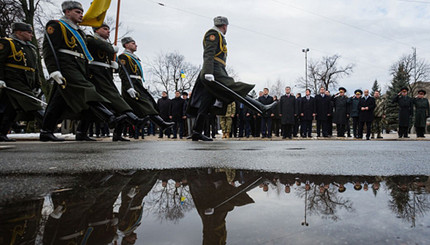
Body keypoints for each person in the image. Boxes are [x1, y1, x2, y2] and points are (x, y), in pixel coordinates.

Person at [41, 1, 127, 142]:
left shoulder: (79, 31)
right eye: (77, 12)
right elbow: (49, 48)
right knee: (88, 90)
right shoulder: (57, 25)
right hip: (66, 65)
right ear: (67, 12)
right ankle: (110, 117)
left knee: (58, 101)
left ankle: (46, 131)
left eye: (81, 12)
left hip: (79, 67)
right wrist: (53, 70)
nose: (81, 15)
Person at [187, 16, 276, 141]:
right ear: (225, 26)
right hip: (213, 72)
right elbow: (209, 53)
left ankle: (196, 132)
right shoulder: (213, 34)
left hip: (216, 71)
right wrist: (208, 72)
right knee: (235, 90)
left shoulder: (219, 36)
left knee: (205, 105)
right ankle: (261, 107)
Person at [86, 23, 148, 141]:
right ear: (96, 30)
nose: (108, 32)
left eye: (109, 29)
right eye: (105, 29)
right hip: (95, 74)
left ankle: (118, 133)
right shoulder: (90, 39)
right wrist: (111, 50)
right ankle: (134, 119)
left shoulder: (108, 45)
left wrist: (113, 66)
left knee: (112, 103)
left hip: (106, 75)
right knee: (113, 102)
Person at [118, 37, 174, 139]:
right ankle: (161, 123)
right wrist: (129, 87)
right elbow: (124, 74)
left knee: (127, 110)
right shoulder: (124, 57)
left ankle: (117, 135)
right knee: (143, 105)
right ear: (126, 45)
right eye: (133, 43)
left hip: (138, 84)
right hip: (131, 85)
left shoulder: (134, 57)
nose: (136, 45)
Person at [0, 22, 44, 142]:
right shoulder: (7, 43)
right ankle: (48, 128)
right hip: (13, 79)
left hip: (26, 81)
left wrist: (37, 84)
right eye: (28, 32)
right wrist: (1, 79)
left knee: (10, 109)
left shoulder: (31, 48)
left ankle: (2, 133)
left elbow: (34, 68)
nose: (31, 35)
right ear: (18, 32)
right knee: (34, 104)